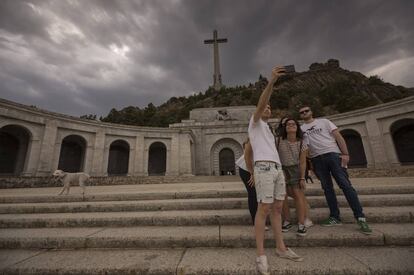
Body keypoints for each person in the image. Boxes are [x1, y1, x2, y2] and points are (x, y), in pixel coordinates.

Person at [249, 66, 303, 275]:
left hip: (277, 169)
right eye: (265, 107)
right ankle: (261, 255)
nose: (267, 108)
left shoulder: (270, 131)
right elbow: (262, 102)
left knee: (278, 209)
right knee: (264, 208)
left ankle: (281, 248)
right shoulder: (253, 124)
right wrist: (271, 82)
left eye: (270, 108)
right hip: (263, 167)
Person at [299, 106, 372, 234]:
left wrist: (345, 154)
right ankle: (334, 217)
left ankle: (360, 217)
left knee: (345, 185)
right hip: (317, 159)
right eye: (301, 112)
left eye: (307, 111)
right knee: (327, 188)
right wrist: (310, 164)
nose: (304, 113)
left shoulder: (324, 122)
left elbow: (338, 137)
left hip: (333, 155)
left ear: (312, 112)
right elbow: (304, 148)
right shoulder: (301, 129)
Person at [276, 118, 313, 236]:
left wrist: (302, 177)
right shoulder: (278, 141)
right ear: (285, 127)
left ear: (297, 127)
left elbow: (303, 162)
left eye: (293, 124)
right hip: (282, 169)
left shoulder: (302, 142)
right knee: (283, 195)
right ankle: (287, 220)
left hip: (296, 169)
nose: (290, 126)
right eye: (288, 124)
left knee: (298, 195)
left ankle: (301, 224)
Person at [235, 139, 257, 225]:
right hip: (247, 168)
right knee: (253, 194)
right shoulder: (252, 138)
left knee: (257, 194)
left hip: (258, 168)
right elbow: (247, 157)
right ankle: (256, 220)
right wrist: (252, 173)